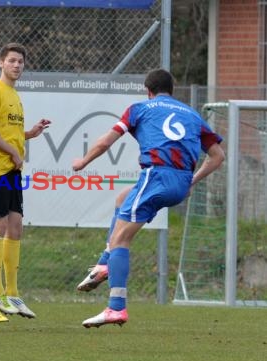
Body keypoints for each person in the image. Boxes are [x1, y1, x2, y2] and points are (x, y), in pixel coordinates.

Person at [72, 68, 225, 328]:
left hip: (156, 176)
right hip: (180, 181)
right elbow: (218, 156)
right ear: (172, 91)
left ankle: (115, 307)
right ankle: (103, 264)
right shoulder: (192, 114)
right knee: (123, 199)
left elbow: (105, 142)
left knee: (121, 239)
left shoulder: (139, 108)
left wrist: (83, 161)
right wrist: (192, 181)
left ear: (148, 90)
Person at [0, 42, 51, 319]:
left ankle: (13, 293)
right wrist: (11, 151)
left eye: (20, 61)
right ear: (1, 63)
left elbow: (7, 133)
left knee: (16, 226)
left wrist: (29, 134)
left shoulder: (14, 95)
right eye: (12, 61)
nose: (17, 65)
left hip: (11, 171)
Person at [76, 186, 132, 292]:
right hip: (164, 176)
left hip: (166, 178)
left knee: (122, 237)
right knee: (123, 198)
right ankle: (104, 261)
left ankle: (104, 262)